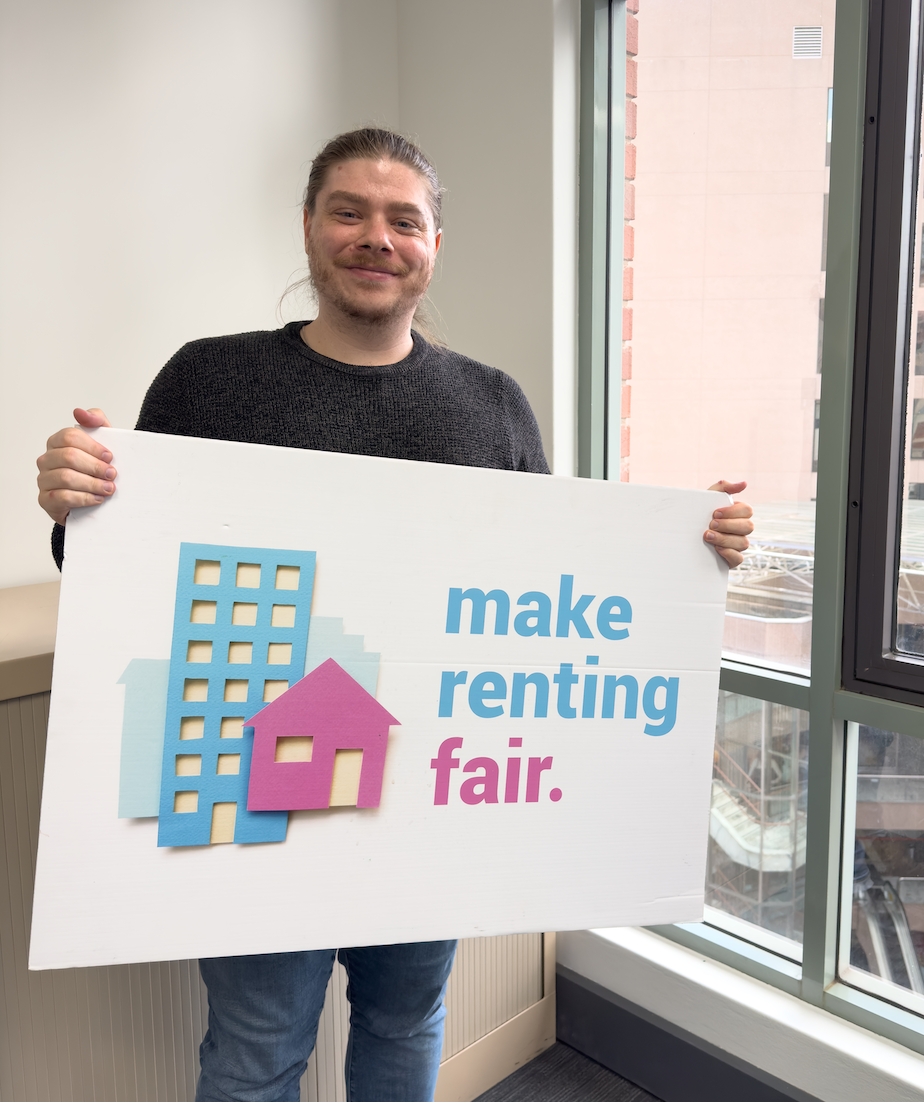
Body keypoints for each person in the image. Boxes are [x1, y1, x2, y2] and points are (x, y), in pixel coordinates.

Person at [36, 128, 753, 1102]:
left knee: (404, 1022)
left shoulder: (492, 404)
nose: (376, 236)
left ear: (433, 245)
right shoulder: (207, 378)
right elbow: (121, 574)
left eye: (403, 219)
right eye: (348, 211)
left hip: (431, 792)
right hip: (256, 795)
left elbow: (543, 597)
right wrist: (77, 502)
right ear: (307, 228)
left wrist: (682, 550)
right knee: (254, 1053)